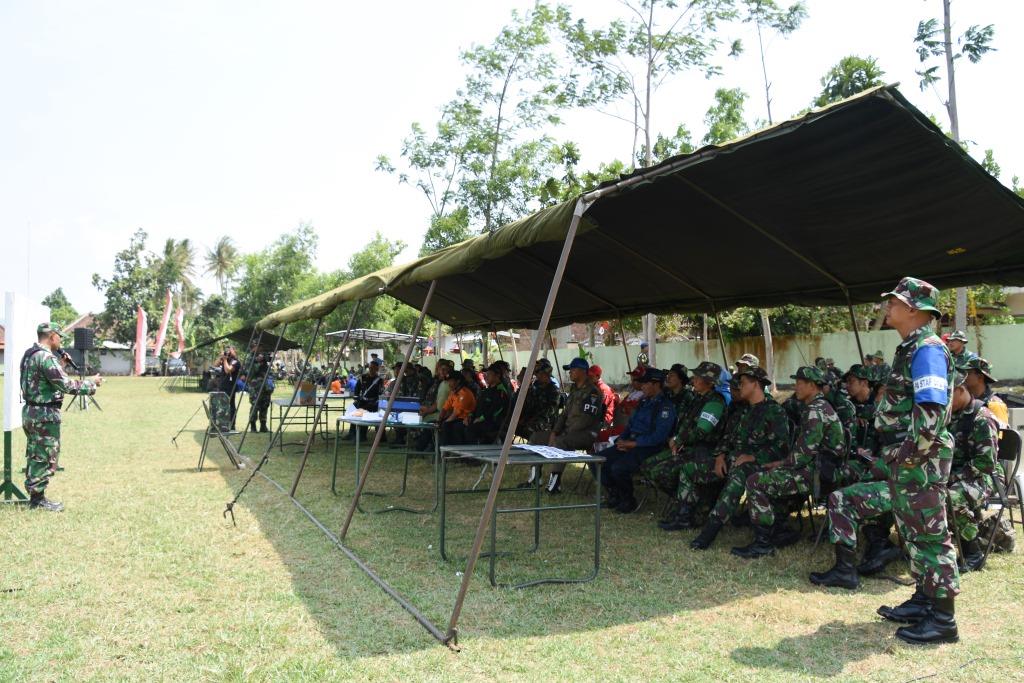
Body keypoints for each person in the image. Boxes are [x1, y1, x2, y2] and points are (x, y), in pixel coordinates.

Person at [810, 276, 960, 645]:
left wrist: (910, 456)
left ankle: (943, 619)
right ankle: (925, 599)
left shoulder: (927, 349)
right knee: (913, 532)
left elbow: (931, 410)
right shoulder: (910, 348)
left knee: (929, 535)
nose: (887, 307)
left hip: (918, 461)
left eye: (893, 302)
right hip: (906, 458)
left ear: (914, 309)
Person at [732, 366, 844, 558]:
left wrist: (779, 464)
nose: (796, 387)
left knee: (755, 481)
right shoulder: (818, 407)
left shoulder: (815, 411)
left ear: (812, 386)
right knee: (765, 475)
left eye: (800, 383)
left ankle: (763, 543)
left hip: (816, 474)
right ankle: (779, 528)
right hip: (815, 468)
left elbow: (802, 456)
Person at [682, 366, 790, 550]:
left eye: (743, 383)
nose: (739, 386)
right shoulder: (744, 411)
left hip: (758, 465)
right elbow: (728, 438)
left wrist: (752, 456)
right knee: (690, 468)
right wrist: (720, 456)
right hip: (732, 460)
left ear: (756, 384)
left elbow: (781, 449)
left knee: (738, 477)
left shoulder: (775, 412)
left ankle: (709, 531)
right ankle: (684, 515)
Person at [19, 323, 103, 511]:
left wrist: (61, 365)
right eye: (60, 336)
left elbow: (42, 380)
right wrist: (91, 384)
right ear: (51, 336)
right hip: (44, 414)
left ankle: (35, 495)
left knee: (35, 453)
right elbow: (66, 385)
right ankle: (37, 500)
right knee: (45, 454)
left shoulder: (30, 354)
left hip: (31, 411)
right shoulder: (46, 357)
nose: (61, 340)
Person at [646, 362, 727, 531]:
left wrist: (679, 440)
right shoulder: (697, 399)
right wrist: (675, 439)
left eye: (699, 377)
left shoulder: (715, 402)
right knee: (649, 466)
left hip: (703, 452)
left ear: (709, 382)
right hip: (687, 448)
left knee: (663, 472)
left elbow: (701, 432)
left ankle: (685, 513)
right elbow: (685, 425)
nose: (694, 379)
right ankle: (687, 503)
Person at [592, 368, 675, 513]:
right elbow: (630, 425)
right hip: (630, 443)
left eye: (645, 383)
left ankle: (628, 500)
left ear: (656, 385)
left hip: (649, 448)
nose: (641, 386)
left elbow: (659, 437)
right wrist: (622, 440)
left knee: (619, 467)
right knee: (597, 461)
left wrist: (633, 443)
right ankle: (615, 494)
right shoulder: (643, 402)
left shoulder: (665, 407)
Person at [946, 368, 998, 572]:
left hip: (985, 479)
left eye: (947, 395)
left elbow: (986, 463)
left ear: (960, 390)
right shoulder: (951, 417)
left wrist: (953, 477)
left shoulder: (981, 417)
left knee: (951, 497)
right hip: (958, 476)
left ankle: (972, 553)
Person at [527, 357, 603, 493]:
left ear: (582, 371)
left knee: (561, 442)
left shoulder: (593, 392)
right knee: (537, 437)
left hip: (586, 434)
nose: (570, 373)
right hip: (568, 432)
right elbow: (564, 415)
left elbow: (586, 419)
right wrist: (554, 432)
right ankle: (535, 477)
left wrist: (563, 434)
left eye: (572, 370)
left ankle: (555, 484)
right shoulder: (574, 390)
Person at [514, 358, 561, 440]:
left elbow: (549, 411)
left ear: (546, 373)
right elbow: (529, 404)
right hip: (533, 418)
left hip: (546, 421)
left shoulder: (553, 390)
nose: (536, 375)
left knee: (529, 428)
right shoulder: (535, 386)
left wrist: (530, 420)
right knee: (513, 425)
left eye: (538, 372)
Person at [466, 363, 510, 444]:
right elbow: (478, 406)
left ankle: (471, 455)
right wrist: (471, 415)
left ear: (497, 375)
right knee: (461, 426)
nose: (486, 377)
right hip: (479, 420)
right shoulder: (487, 390)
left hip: (492, 423)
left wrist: (481, 418)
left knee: (470, 430)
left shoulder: (501, 391)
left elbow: (496, 410)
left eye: (489, 374)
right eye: (486, 374)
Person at [961, 357, 1009, 427]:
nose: (963, 377)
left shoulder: (995, 404)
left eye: (967, 373)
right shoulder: (966, 400)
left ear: (980, 377)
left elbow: (1003, 434)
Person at [344, 360, 384, 441]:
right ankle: (352, 433)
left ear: (377, 369)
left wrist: (374, 402)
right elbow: (357, 390)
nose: (371, 370)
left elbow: (380, 394)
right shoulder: (362, 377)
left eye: (373, 368)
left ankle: (362, 435)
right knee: (354, 409)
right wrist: (356, 398)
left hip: (373, 403)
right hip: (362, 401)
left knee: (364, 410)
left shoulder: (379, 380)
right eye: (370, 368)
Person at [439, 372, 477, 446]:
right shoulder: (453, 392)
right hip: (457, 418)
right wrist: (439, 420)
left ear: (458, 381)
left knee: (449, 426)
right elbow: (445, 407)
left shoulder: (464, 393)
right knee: (438, 423)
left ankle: (451, 451)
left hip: (465, 419)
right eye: (448, 381)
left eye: (451, 381)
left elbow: (456, 414)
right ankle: (440, 450)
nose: (449, 383)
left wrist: (444, 422)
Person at [216, 346, 242, 429]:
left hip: (231, 387)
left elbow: (228, 370)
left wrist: (224, 360)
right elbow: (215, 364)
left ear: (235, 351)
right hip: (222, 386)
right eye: (228, 351)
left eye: (230, 350)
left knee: (230, 406)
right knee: (221, 406)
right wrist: (221, 357)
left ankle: (232, 425)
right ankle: (223, 424)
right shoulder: (226, 360)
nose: (228, 352)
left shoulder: (236, 362)